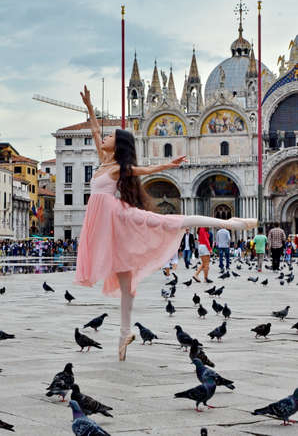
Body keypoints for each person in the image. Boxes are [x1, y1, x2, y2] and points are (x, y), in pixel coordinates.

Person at [75, 85, 257, 362]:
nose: (105, 137)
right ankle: (125, 334)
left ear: (119, 145)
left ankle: (230, 223)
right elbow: (96, 132)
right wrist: (89, 107)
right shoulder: (103, 162)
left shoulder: (118, 167)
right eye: (108, 134)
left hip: (118, 216)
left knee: (169, 221)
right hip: (105, 223)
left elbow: (145, 169)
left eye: (112, 136)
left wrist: (169, 165)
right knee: (125, 282)